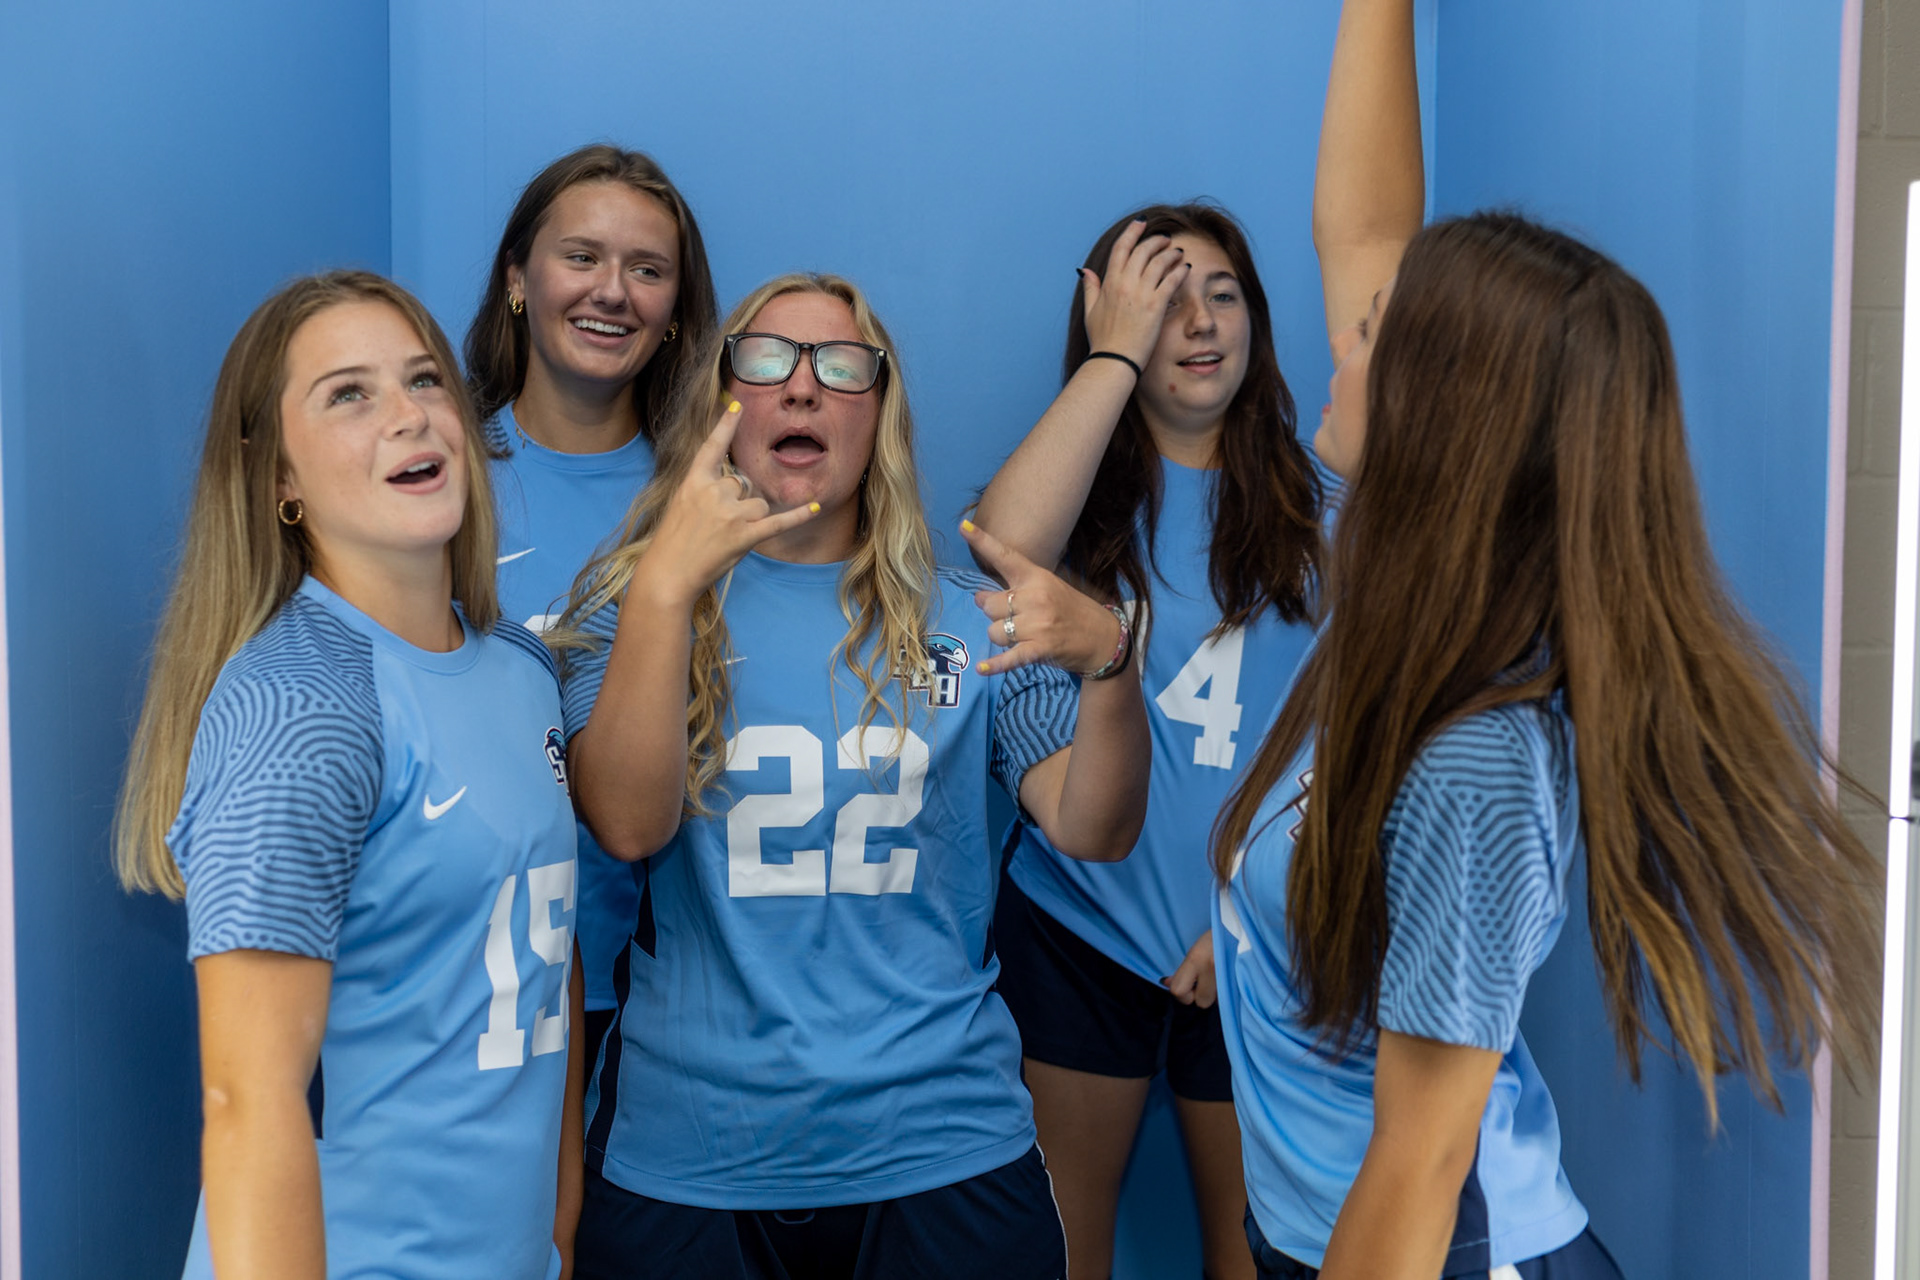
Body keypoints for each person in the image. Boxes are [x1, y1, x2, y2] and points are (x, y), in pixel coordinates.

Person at [1211, 2, 1882, 1277]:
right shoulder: (1408, 601)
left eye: (1375, 333)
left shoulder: (1477, 760)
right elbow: (1362, 233)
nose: (1342, 339)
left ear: (1440, 420)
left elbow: (1421, 1164)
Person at [550, 272, 1151, 1280]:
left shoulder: (972, 614)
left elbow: (1095, 826)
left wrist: (1111, 663)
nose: (801, 388)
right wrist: (666, 586)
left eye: (839, 366)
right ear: (723, 404)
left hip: (941, 1144)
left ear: (881, 412)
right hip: (691, 1155)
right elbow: (625, 822)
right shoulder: (629, 605)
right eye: (768, 358)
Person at [113, 272, 583, 1280]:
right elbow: (248, 1099)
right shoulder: (301, 705)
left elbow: (544, 948)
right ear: (277, 473)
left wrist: (558, 1223)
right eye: (349, 393)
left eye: (424, 379)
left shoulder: (520, 667)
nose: (411, 414)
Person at [971, 185, 1320, 1280]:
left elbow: (1365, 734)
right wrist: (1112, 359)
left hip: (1259, 936)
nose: (1202, 323)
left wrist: (1266, 906)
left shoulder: (1326, 508)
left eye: (1223, 295)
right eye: (1166, 303)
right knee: (1067, 1243)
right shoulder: (1076, 502)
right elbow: (999, 546)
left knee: (1255, 1248)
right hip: (1083, 931)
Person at [466, 143, 718, 1063]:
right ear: (518, 281)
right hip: (473, 990)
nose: (612, 291)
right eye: (582, 257)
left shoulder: (711, 503)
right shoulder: (431, 482)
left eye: (647, 270)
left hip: (666, 999)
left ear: (676, 317)